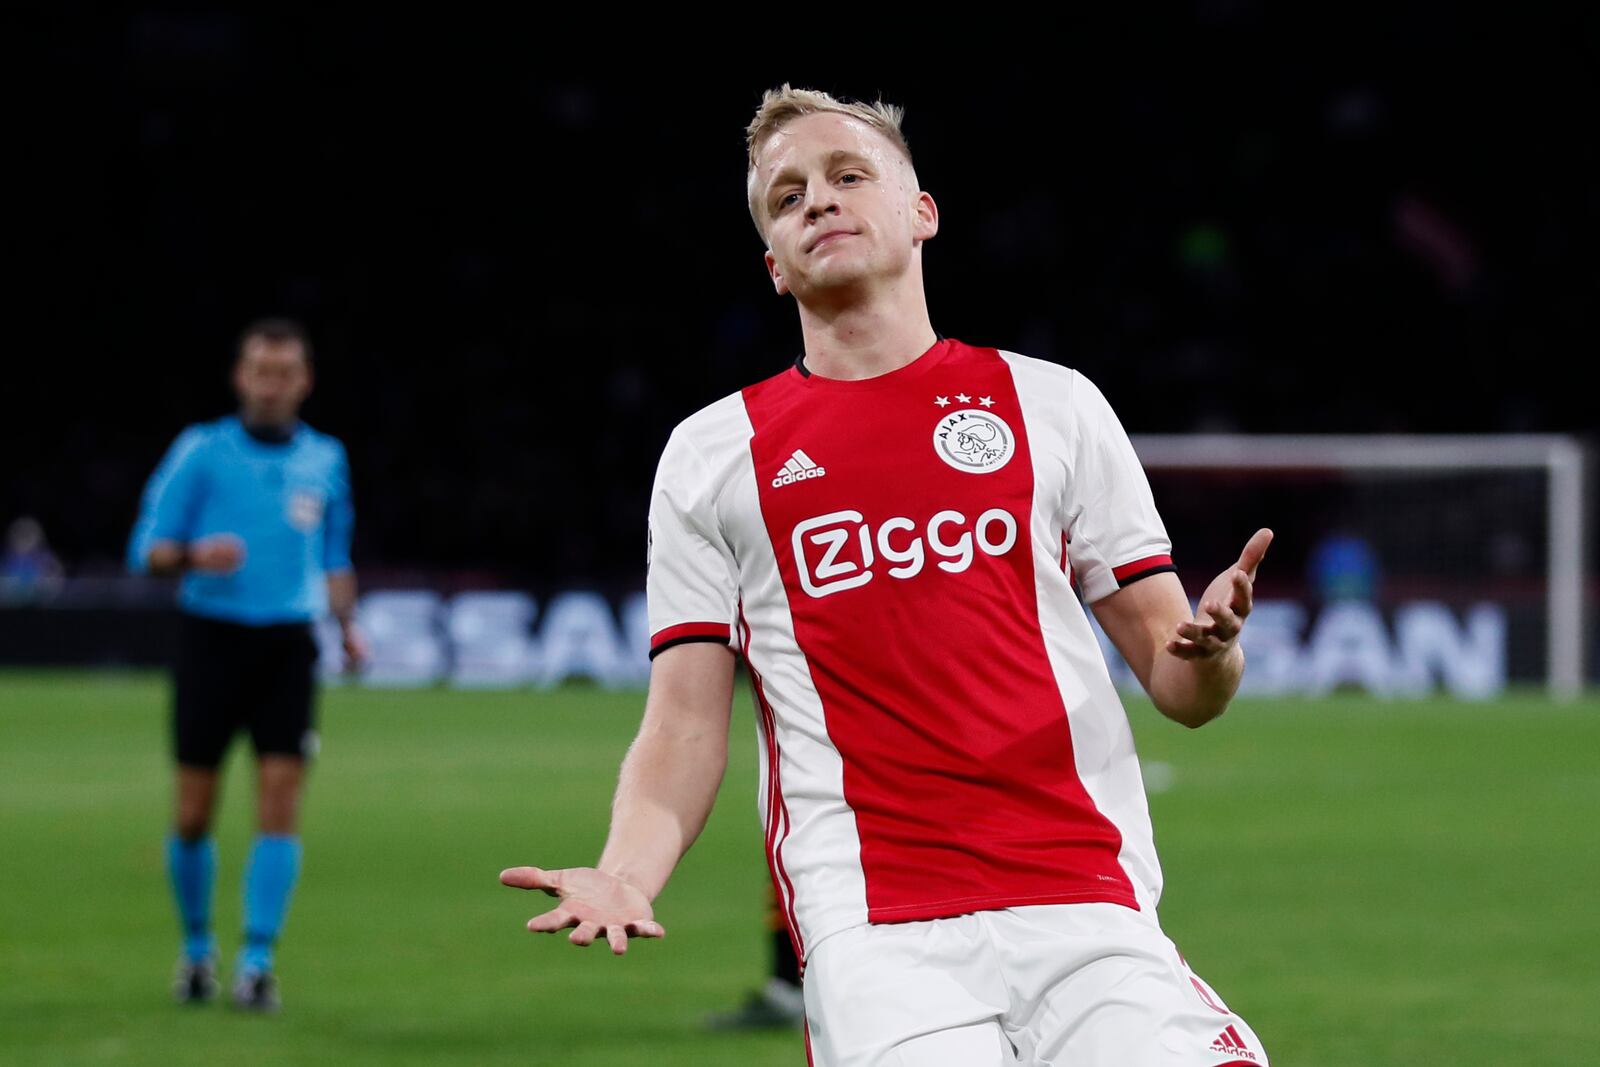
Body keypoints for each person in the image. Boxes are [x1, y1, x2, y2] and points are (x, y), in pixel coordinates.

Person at [501, 86, 1275, 1066]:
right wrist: (625, 870)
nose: (818, 200)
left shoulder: (1053, 406)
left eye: (847, 175)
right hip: (878, 929)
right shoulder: (712, 454)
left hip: (1085, 900)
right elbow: (685, 722)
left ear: (921, 213)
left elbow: (1181, 685)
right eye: (786, 197)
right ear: (773, 266)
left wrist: (1212, 653)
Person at [128, 318, 365, 1012]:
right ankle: (198, 949)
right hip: (211, 639)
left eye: (284, 372)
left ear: (304, 381)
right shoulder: (201, 451)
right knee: (195, 810)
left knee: (281, 801)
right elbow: (148, 548)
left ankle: (257, 960)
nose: (271, 384)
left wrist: (348, 628)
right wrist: (194, 554)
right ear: (240, 377)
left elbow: (335, 552)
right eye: (260, 370)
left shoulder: (325, 457)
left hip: (288, 644)